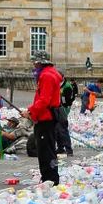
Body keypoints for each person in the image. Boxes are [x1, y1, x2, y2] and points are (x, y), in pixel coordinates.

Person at [26, 55, 64, 184]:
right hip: (49, 116)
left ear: (41, 64)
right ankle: (51, 177)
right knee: (49, 148)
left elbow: (44, 100)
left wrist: (31, 111)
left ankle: (50, 179)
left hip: (46, 117)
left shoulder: (46, 76)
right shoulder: (51, 74)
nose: (34, 67)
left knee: (45, 150)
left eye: (35, 64)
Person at [56, 76, 77, 155]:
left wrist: (65, 105)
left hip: (62, 109)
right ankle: (60, 147)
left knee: (62, 129)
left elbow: (69, 98)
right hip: (57, 108)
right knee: (57, 130)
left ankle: (69, 150)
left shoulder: (67, 86)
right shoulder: (57, 84)